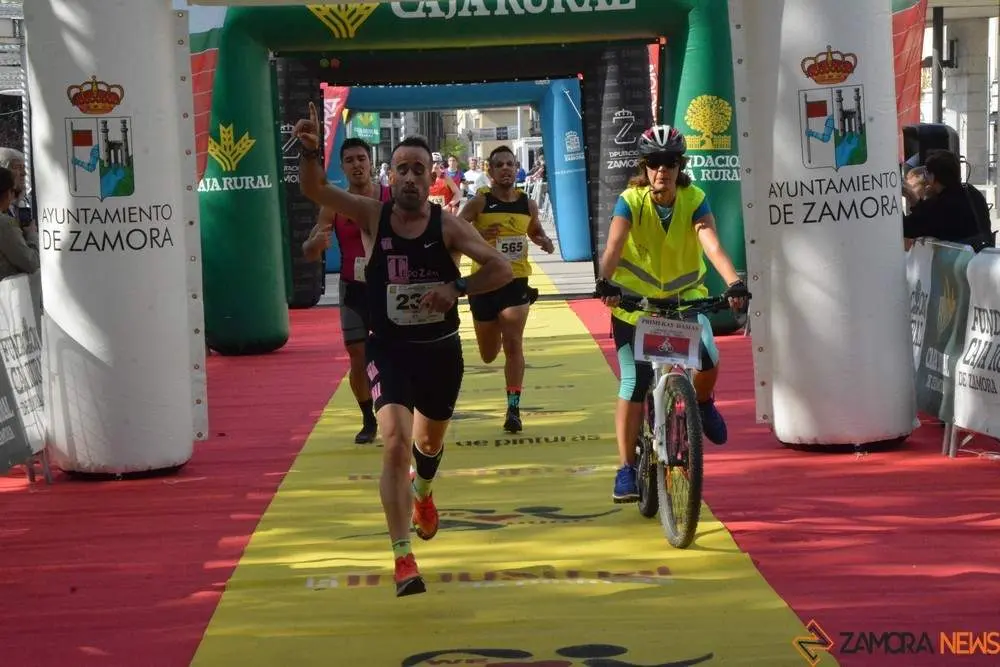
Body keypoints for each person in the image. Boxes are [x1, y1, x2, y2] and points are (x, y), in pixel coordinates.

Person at [295, 102, 513, 597]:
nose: (411, 177)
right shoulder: (373, 214)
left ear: (431, 175)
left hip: (439, 350)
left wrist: (455, 290)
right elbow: (315, 189)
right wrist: (309, 150)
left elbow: (498, 269)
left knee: (428, 445)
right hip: (388, 349)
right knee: (393, 442)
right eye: (402, 169)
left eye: (420, 169)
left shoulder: (448, 225)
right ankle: (402, 556)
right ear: (388, 176)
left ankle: (425, 492)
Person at [597, 125, 748, 503]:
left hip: (683, 302)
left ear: (680, 166)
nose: (661, 170)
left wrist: (733, 281)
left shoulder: (694, 197)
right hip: (635, 306)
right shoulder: (630, 199)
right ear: (644, 167)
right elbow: (615, 243)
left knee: (709, 362)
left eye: (670, 162)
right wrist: (605, 281)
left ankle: (701, 402)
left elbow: (709, 240)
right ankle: (625, 468)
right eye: (653, 163)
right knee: (634, 382)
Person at [302, 138, 390, 444]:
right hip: (353, 288)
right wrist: (315, 245)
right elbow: (310, 249)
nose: (357, 165)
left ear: (371, 162)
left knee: (396, 353)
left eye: (361, 158)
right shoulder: (334, 203)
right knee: (357, 355)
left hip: (389, 289)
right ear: (343, 167)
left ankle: (397, 408)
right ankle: (368, 418)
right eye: (350, 160)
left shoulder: (388, 197)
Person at [460, 146, 553, 433]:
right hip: (484, 283)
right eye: (499, 165)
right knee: (489, 354)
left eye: (510, 164)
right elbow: (454, 229)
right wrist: (477, 235)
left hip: (516, 281)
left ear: (516, 168)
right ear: (489, 171)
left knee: (514, 344)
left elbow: (533, 230)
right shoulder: (479, 203)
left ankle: (513, 409)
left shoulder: (527, 204)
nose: (506, 169)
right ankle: (495, 328)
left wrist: (543, 240)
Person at [903, 149, 988, 248]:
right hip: (980, 255)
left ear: (933, 177)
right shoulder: (972, 192)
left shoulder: (939, 205)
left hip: (956, 261)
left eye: (926, 173)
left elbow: (908, 228)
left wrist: (908, 194)